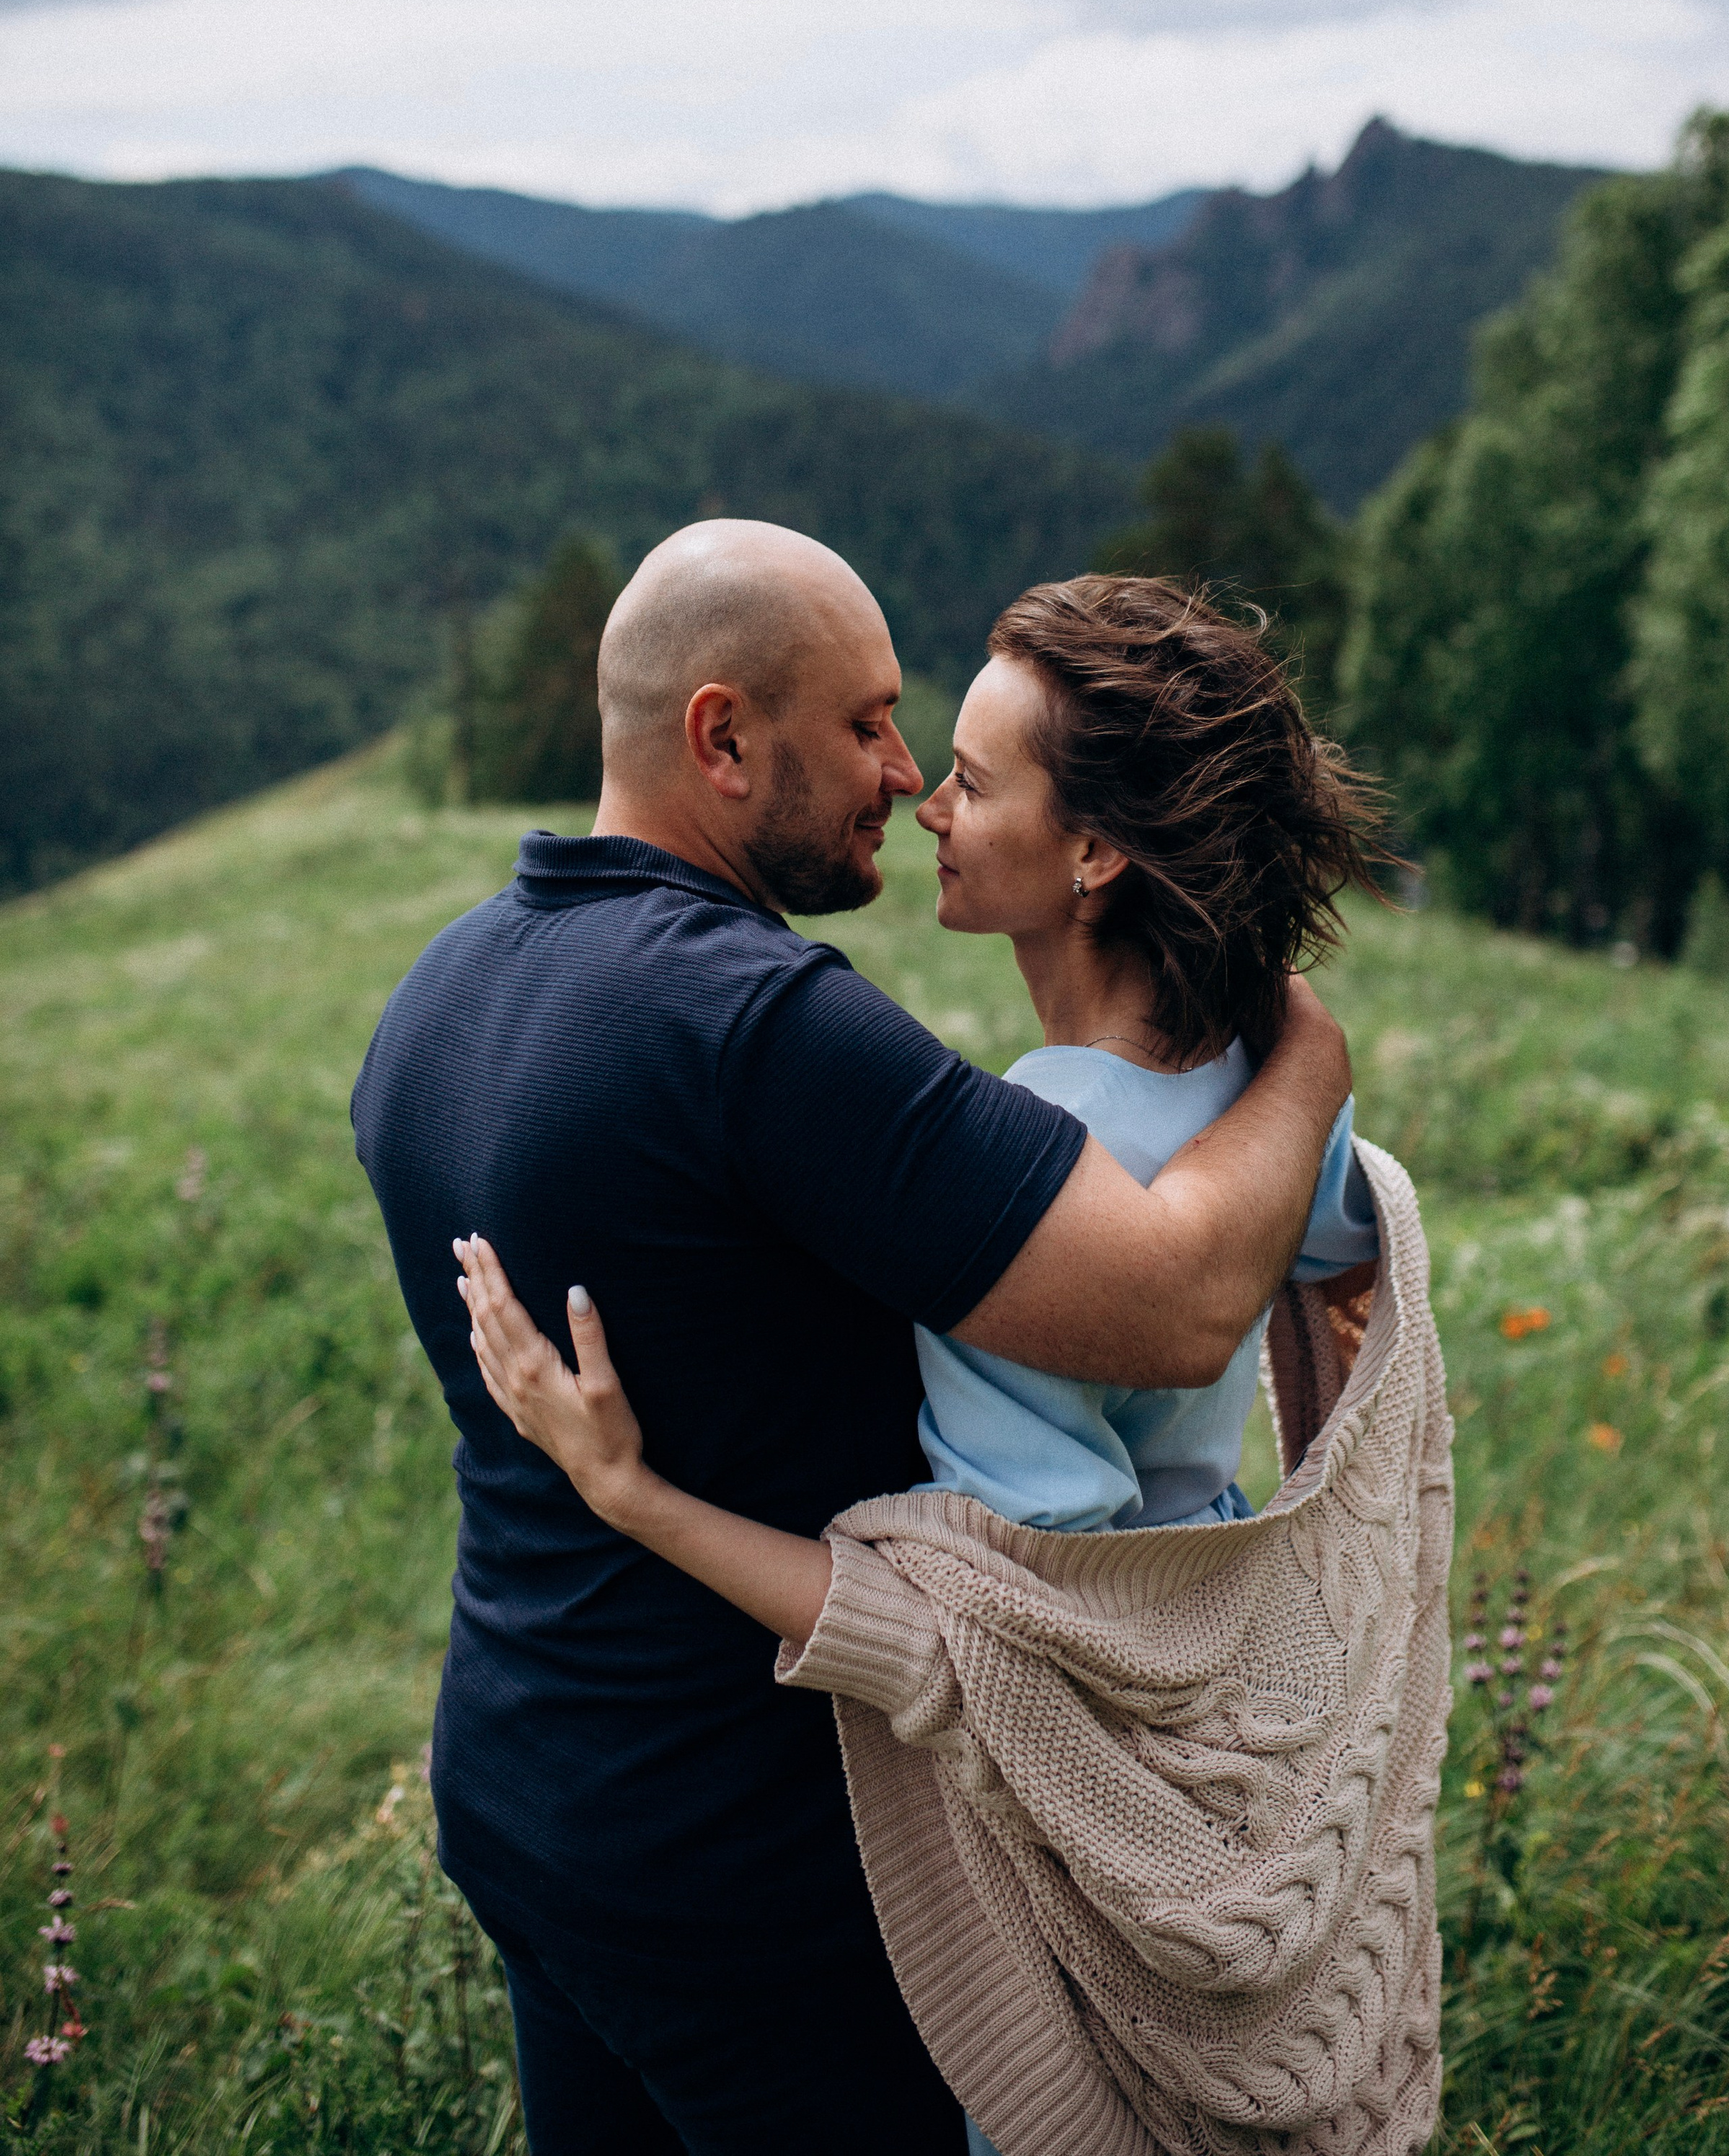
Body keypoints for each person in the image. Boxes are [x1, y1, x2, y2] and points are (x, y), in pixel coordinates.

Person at [354, 528, 1356, 2156]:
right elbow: (1177, 1308)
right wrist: (1302, 1056)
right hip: (769, 1870)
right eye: (868, 725)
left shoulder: (436, 999)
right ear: (721, 738)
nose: (902, 771)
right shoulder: (758, 1027)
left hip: (526, 1796)